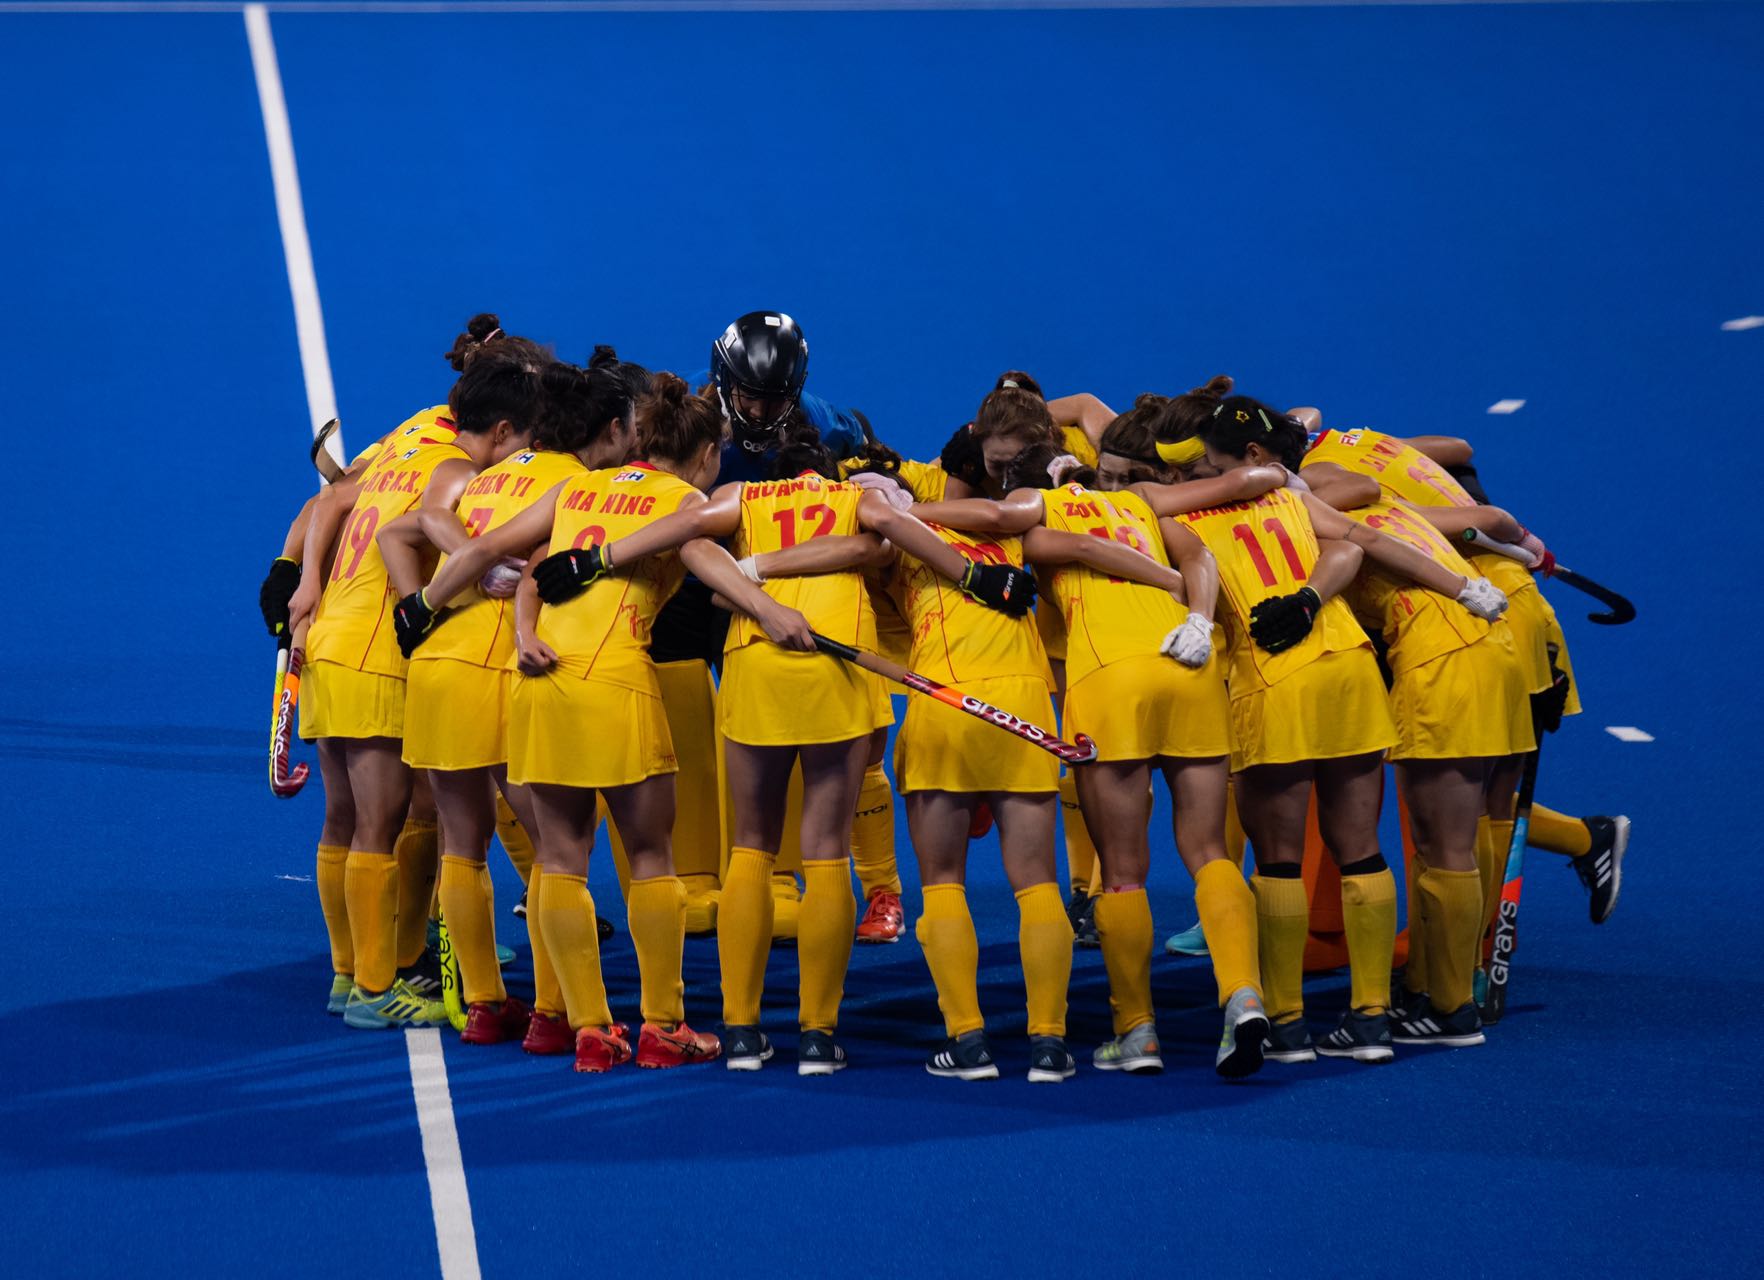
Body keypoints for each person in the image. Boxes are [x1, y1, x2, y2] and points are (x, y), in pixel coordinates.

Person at [547, 420, 1036, 1073]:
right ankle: (817, 1036)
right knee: (825, 849)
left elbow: (689, 533)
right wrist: (976, 577)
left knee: (751, 845)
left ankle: (742, 1032)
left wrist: (616, 559)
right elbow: (894, 532)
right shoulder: (853, 497)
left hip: (756, 662)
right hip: (833, 666)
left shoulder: (743, 497)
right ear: (827, 471)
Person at [395, 373, 789, 1072]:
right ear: (706, 455)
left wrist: (506, 630)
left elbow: (520, 563)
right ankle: (663, 1025)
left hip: (539, 682)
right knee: (651, 859)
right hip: (615, 684)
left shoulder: (578, 490)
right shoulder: (687, 502)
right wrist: (768, 610)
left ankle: (586, 1031)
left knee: (559, 860)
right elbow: (700, 548)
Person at [1153, 396, 1506, 1063]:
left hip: (1272, 679)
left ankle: (1287, 1022)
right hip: (1350, 668)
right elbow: (1360, 542)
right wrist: (1462, 589)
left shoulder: (1171, 519)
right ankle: (1370, 1017)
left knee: (1278, 860)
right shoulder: (1289, 496)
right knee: (1362, 850)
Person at [286, 349, 543, 1029]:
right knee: (382, 821)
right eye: (522, 443)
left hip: (330, 641)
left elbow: (329, 499)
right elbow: (433, 530)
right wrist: (484, 565)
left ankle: (349, 974)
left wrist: (305, 583)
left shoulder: (402, 455)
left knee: (343, 818)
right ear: (501, 431)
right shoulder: (454, 470)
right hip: (376, 655)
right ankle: (377, 987)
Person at [1299, 419, 1627, 926]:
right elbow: (1458, 448)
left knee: (1466, 802)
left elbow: (1480, 518)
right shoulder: (1358, 444)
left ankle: (1471, 947)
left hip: (1478, 618)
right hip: (1513, 609)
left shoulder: (1340, 503)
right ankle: (1580, 842)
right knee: (1476, 798)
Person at [375, 358, 614, 1048]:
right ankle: (551, 1010)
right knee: (555, 848)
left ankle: (483, 1004)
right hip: (504, 668)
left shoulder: (484, 479)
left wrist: (418, 602)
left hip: (437, 665)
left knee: (463, 843)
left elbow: (402, 531)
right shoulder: (575, 485)